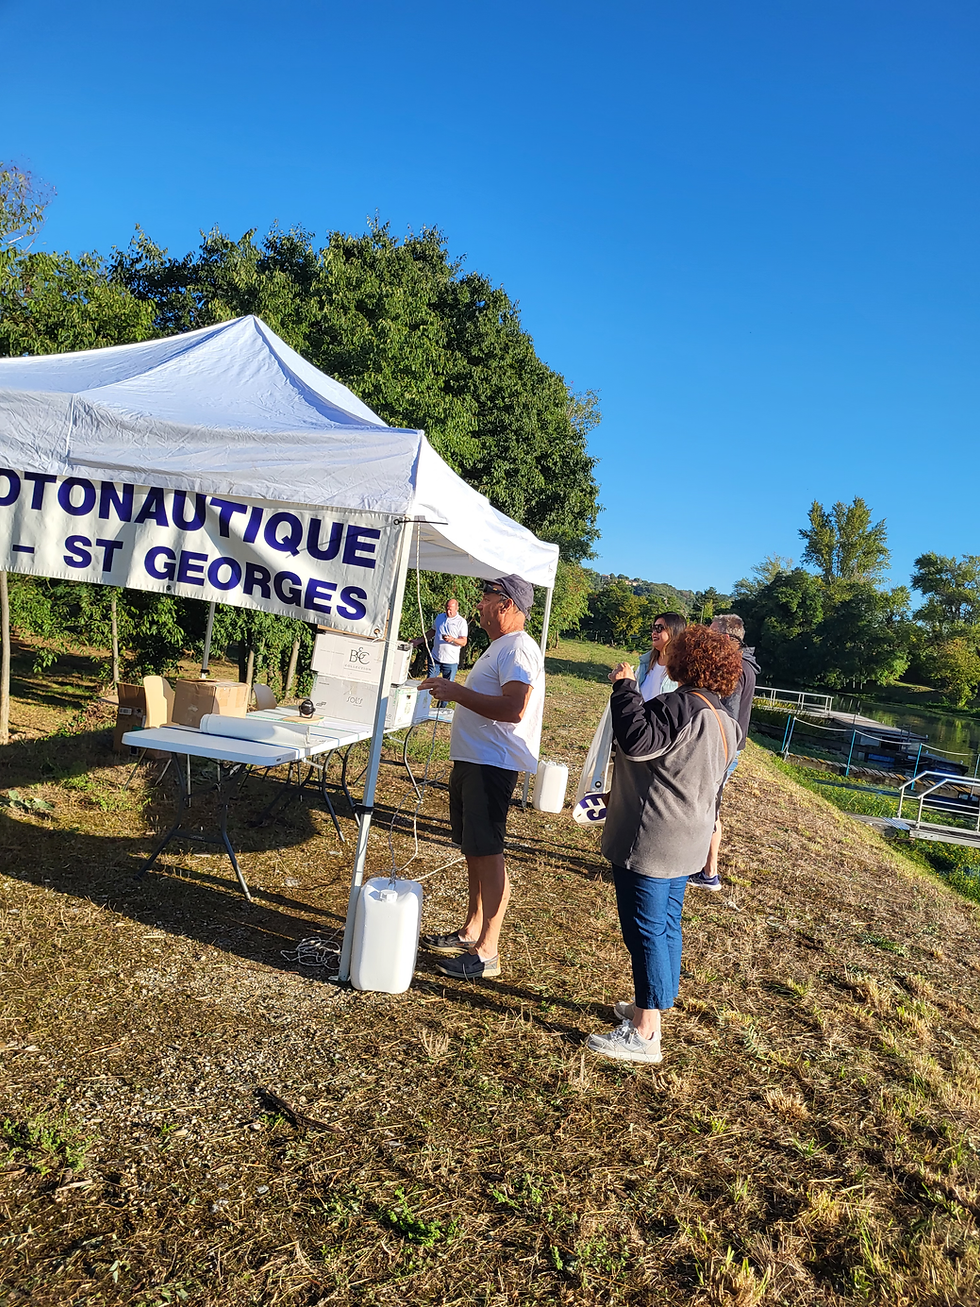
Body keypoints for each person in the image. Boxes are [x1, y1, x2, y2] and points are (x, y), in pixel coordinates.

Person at [586, 626, 741, 1064]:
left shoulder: (681, 705)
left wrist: (624, 689)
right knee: (666, 925)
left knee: (646, 930)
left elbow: (635, 741)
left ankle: (645, 1032)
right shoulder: (725, 720)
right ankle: (649, 1006)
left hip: (653, 838)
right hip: (688, 839)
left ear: (684, 661)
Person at [419, 575, 544, 980]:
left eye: (486, 598)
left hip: (492, 763)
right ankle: (472, 928)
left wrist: (455, 692)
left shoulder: (518, 648)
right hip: (475, 760)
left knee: (488, 851)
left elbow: (513, 708)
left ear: (507, 605)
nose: (479, 605)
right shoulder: (501, 647)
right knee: (474, 848)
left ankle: (487, 951)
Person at [688, 613, 760, 892]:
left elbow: (726, 715)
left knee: (708, 807)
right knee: (709, 805)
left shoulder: (737, 668)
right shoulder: (744, 665)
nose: (707, 639)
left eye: (712, 634)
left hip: (722, 749)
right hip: (729, 748)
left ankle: (708, 872)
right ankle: (704, 869)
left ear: (728, 638)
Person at [634, 611, 686, 701]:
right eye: (653, 628)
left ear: (674, 631)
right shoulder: (645, 663)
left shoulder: (682, 671)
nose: (654, 632)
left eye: (659, 628)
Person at [427, 597, 469, 680]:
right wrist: (419, 640)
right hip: (435, 657)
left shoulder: (461, 622)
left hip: (450, 661)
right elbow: (432, 632)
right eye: (447, 609)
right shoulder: (440, 617)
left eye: (451, 610)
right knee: (429, 683)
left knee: (447, 686)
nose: (448, 612)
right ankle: (427, 693)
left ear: (457, 608)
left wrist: (453, 639)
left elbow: (464, 642)